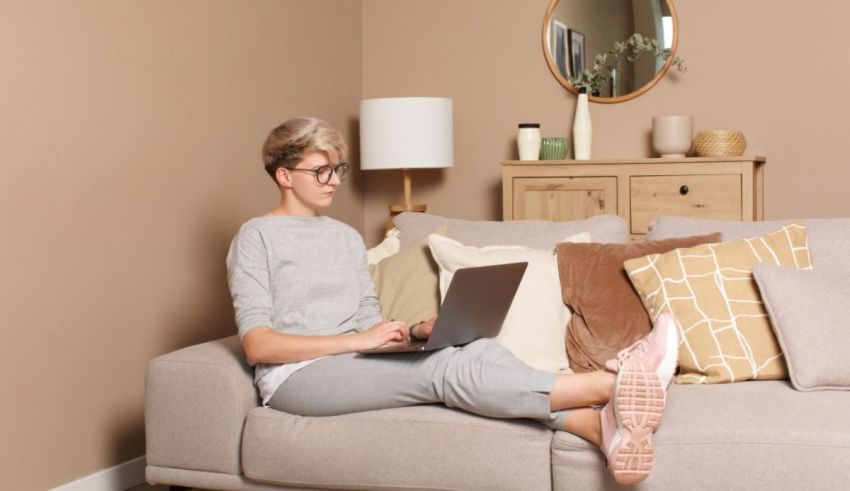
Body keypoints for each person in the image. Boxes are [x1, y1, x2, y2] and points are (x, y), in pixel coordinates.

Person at [226, 117, 680, 485]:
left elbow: (366, 317)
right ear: (284, 176)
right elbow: (258, 345)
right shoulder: (256, 237)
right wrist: (351, 342)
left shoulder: (345, 238)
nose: (333, 181)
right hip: (298, 379)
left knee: (473, 348)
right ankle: (608, 386)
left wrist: (410, 330)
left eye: (338, 170)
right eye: (320, 171)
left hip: (354, 359)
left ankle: (596, 427)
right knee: (445, 370)